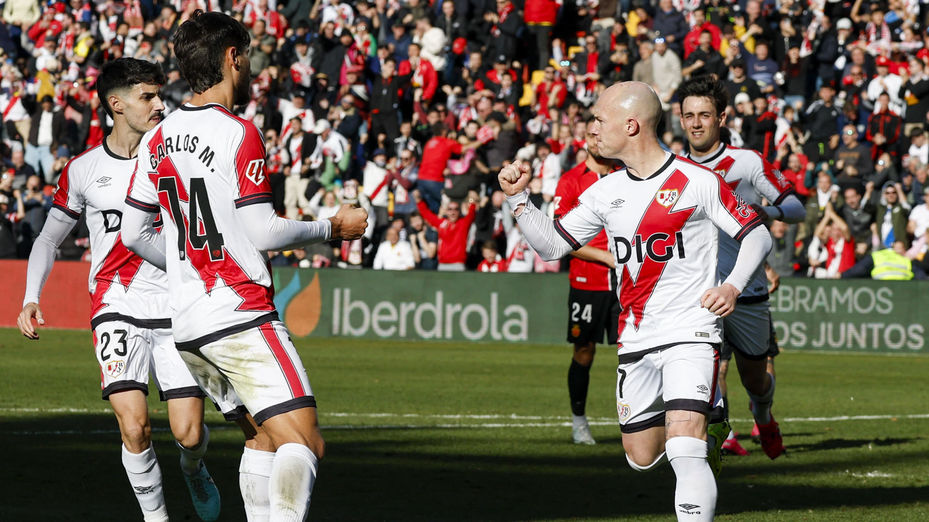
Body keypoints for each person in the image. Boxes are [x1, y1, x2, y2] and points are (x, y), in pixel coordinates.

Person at [120, 12, 368, 521]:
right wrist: (331, 229)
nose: (251, 65)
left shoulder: (156, 138)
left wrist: (190, 268)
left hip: (187, 325)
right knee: (305, 443)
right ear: (233, 58)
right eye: (247, 54)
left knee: (264, 439)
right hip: (239, 313)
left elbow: (131, 233)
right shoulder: (237, 133)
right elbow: (262, 232)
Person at [498, 82, 772, 521]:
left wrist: (733, 285)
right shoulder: (604, 191)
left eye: (599, 120)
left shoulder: (697, 181)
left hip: (691, 329)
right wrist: (518, 199)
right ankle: (710, 415)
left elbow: (756, 233)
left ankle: (701, 426)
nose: (592, 129)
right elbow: (551, 245)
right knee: (641, 455)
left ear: (631, 125)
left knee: (685, 446)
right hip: (637, 336)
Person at [16, 58, 226, 522]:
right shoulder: (84, 169)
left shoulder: (178, 156)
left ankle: (194, 468)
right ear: (117, 104)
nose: (159, 104)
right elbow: (49, 238)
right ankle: (156, 518)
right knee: (134, 427)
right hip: (115, 304)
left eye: (159, 95)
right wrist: (32, 296)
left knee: (189, 434)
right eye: (147, 97)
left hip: (176, 305)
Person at [679, 75, 802, 461]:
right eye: (689, 116)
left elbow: (795, 206)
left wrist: (766, 211)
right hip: (696, 292)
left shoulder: (746, 162)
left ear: (721, 118)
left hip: (745, 290)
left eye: (704, 115)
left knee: (755, 378)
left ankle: (763, 416)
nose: (696, 123)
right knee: (706, 373)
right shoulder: (673, 166)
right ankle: (712, 443)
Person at [553, 120, 619, 445]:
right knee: (583, 350)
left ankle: (637, 423)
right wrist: (607, 257)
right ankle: (579, 422)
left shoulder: (627, 175)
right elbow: (560, 236)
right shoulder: (569, 182)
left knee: (637, 353)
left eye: (602, 133)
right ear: (584, 140)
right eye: (592, 134)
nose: (597, 139)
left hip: (628, 282)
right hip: (587, 280)